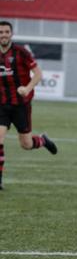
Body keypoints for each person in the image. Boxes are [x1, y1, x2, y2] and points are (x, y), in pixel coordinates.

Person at [0, 21, 57, 190]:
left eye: (6, 32)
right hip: (1, 104)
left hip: (21, 105)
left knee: (26, 144)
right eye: (1, 32)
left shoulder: (21, 52)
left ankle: (43, 141)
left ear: (11, 34)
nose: (3, 35)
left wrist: (27, 88)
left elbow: (38, 74)